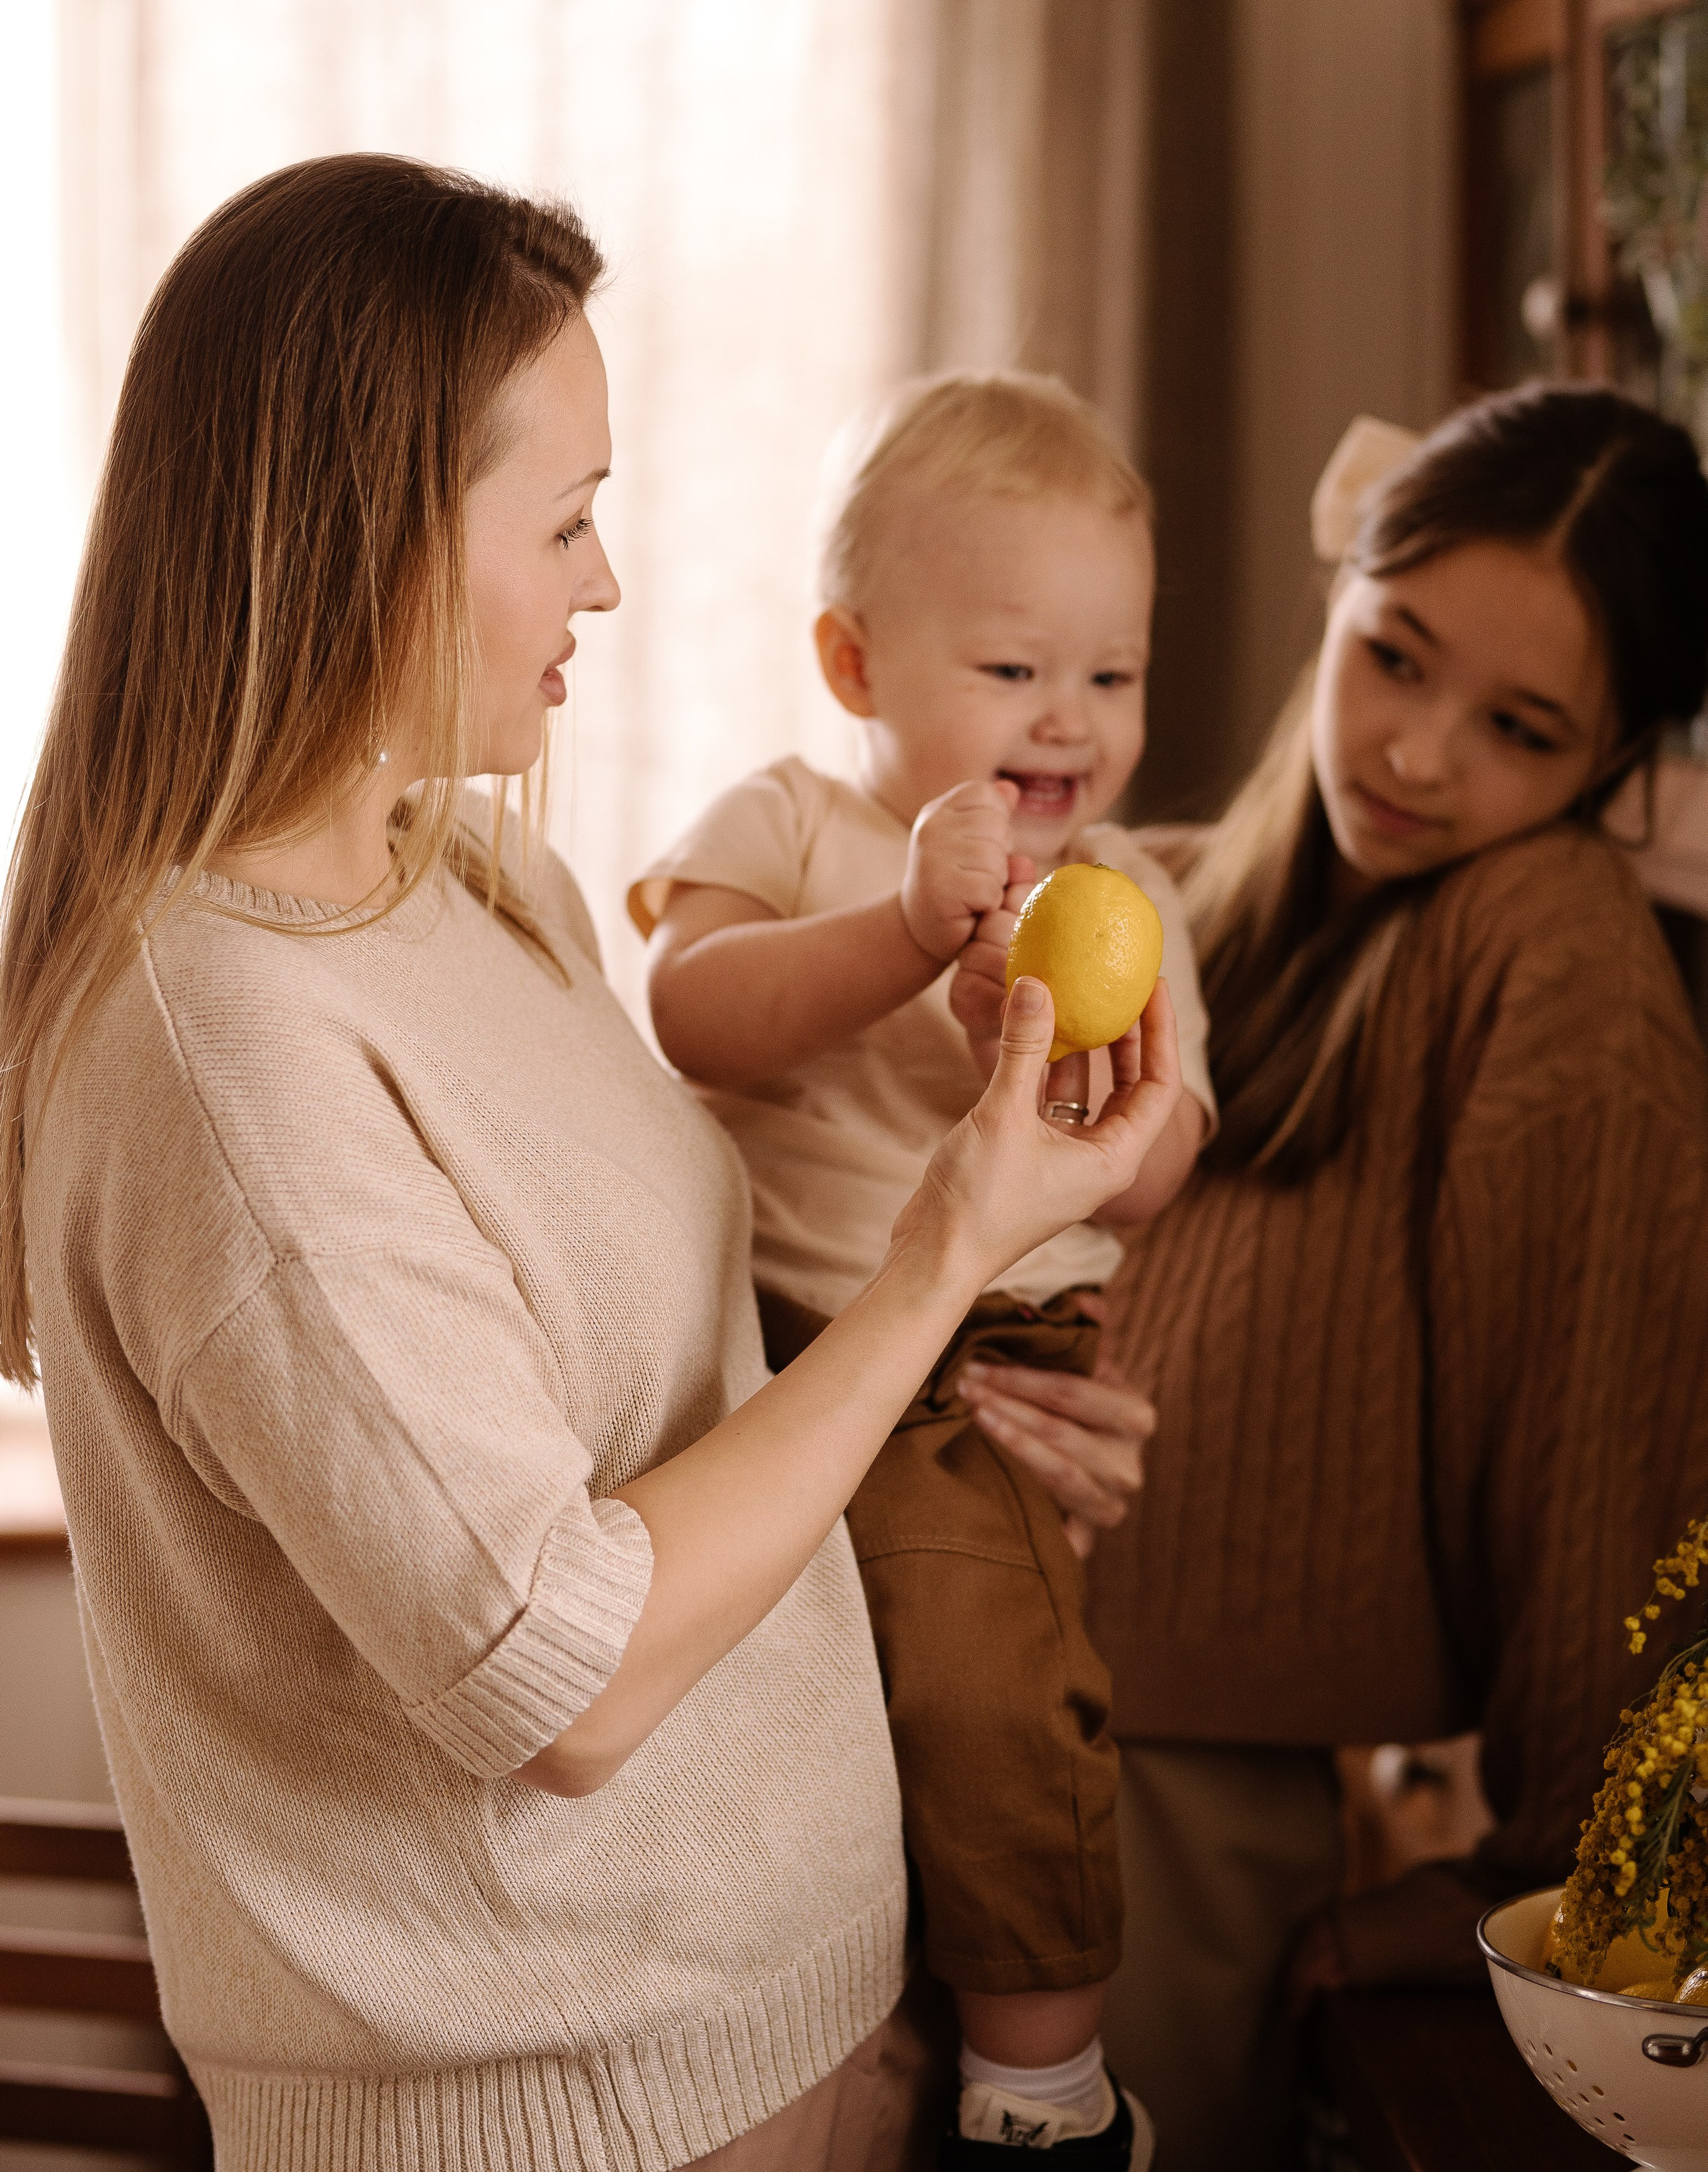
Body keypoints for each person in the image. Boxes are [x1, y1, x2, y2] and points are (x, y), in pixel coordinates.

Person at [0, 155, 1182, 2172]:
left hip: (813, 2022)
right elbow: (562, 1674)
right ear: (365, 533)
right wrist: (937, 1259)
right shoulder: (217, 1055)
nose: (607, 586)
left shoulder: (474, 879)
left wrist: (972, 1410)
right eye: (566, 523)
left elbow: (695, 1395)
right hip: (579, 2121)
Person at [955, 382, 1708, 2171]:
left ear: (1609, 766)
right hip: (990, 1709)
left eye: (1522, 728)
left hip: (1182, 1800)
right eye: (1397, 657)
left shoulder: (1551, 953)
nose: (1422, 757)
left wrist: (1542, 1877)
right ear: (1342, 597)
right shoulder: (1196, 898)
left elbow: (1608, 1453)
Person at [631, 374, 1217, 2167]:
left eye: (1109, 677)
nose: (1072, 722)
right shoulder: (795, 822)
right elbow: (694, 1013)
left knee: (988, 1669)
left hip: (982, 1361)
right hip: (763, 1346)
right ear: (854, 662)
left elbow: (1172, 1146)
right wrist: (899, 933)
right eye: (1017, 669)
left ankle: (1042, 2084)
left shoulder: (1122, 892)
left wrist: (1062, 1090)